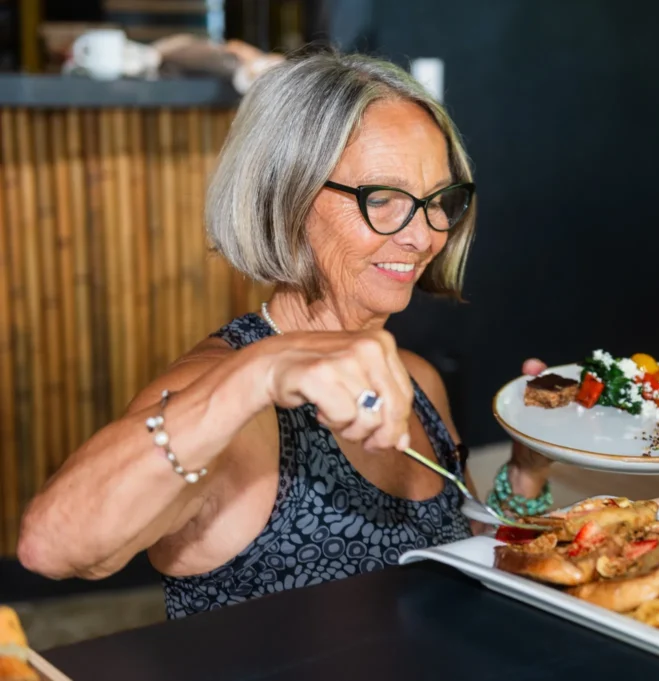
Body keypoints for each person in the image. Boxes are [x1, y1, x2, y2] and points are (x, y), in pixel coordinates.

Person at [16, 48, 554, 619]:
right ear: (288, 198)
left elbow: (468, 551)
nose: (423, 236)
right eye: (383, 198)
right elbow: (52, 546)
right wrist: (258, 371)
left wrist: (527, 471)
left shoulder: (415, 379)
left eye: (437, 201)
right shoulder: (230, 404)